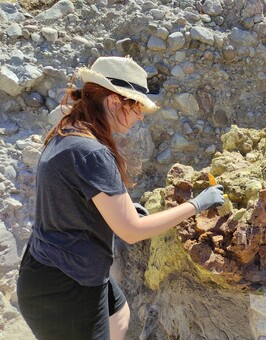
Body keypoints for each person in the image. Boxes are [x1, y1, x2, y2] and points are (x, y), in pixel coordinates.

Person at [16, 56, 224, 340]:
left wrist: (124, 206)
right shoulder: (92, 152)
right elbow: (131, 231)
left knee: (120, 315)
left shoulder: (67, 133)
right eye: (137, 107)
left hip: (52, 268)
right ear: (115, 101)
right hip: (66, 289)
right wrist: (197, 204)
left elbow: (75, 196)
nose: (140, 116)